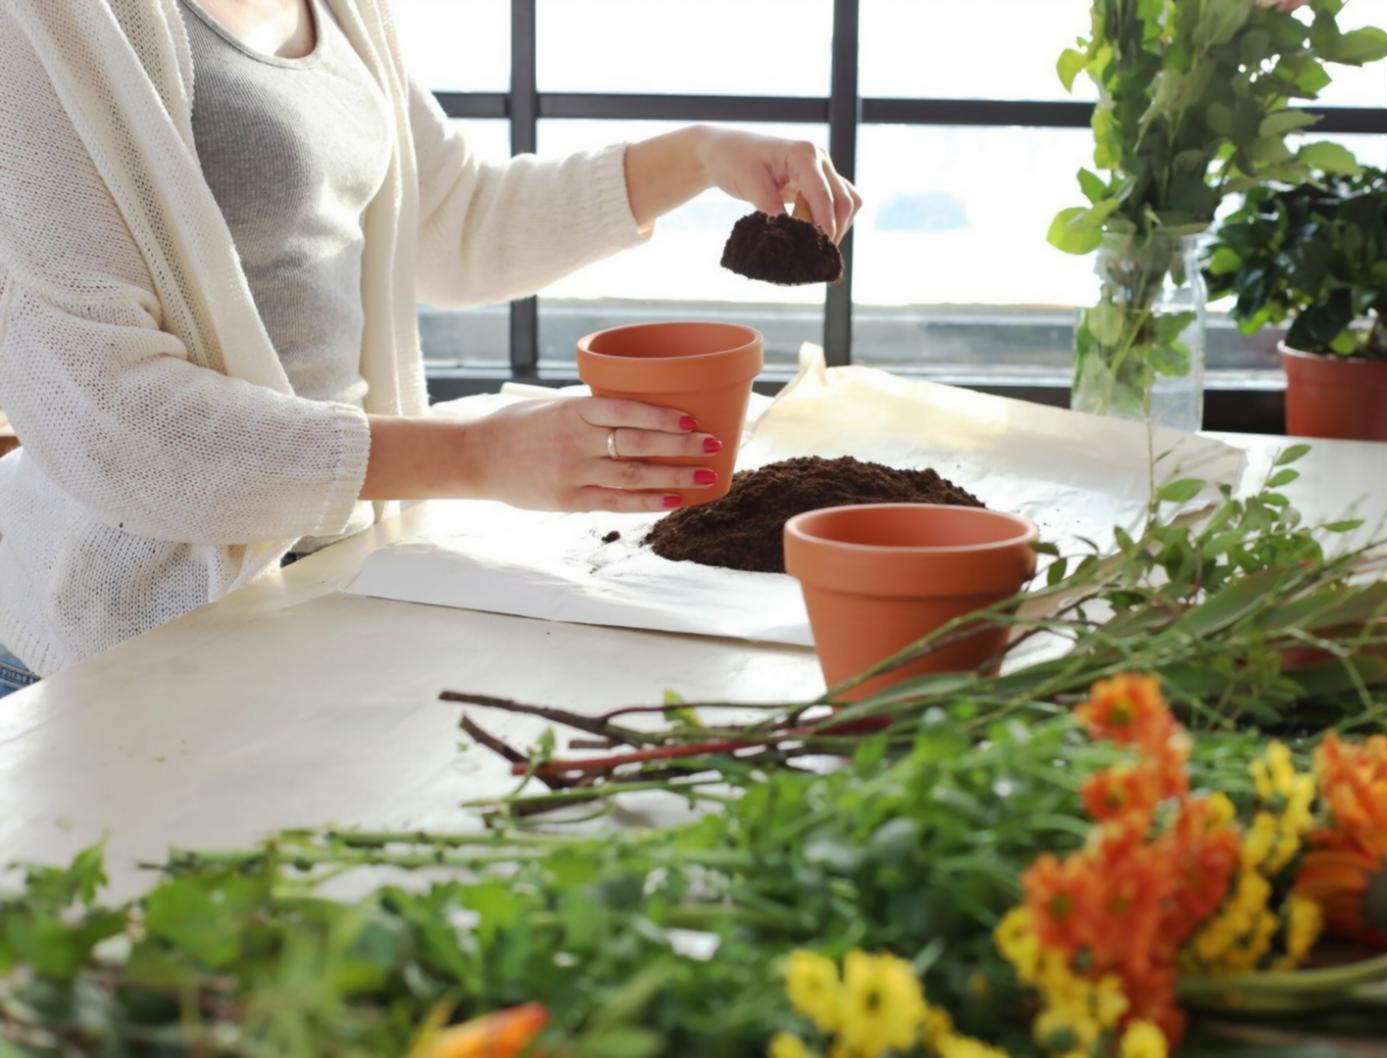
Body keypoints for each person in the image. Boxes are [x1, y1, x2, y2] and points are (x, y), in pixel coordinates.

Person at [0, 0, 861, 695]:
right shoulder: (40, 26)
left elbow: (452, 223)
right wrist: (477, 456)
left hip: (319, 571)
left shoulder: (345, 10)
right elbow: (115, 425)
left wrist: (701, 155)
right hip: (113, 628)